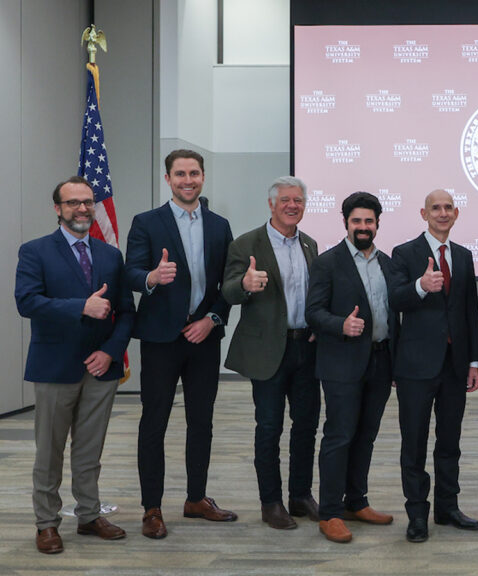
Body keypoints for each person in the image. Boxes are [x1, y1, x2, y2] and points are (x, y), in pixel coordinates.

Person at [15, 176, 135, 554]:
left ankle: (88, 515)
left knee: (90, 450)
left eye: (87, 202)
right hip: (55, 368)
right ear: (58, 209)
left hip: (100, 368)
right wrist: (80, 306)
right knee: (49, 452)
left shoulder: (110, 255)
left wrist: (111, 352)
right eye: (72, 203)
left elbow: (127, 313)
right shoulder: (35, 251)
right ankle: (47, 524)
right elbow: (27, 302)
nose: (82, 209)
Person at [125, 149, 235, 539]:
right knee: (154, 423)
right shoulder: (147, 223)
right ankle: (151, 508)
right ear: (168, 179)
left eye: (194, 173)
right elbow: (132, 273)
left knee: (201, 422)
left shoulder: (220, 226)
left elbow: (229, 285)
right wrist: (152, 277)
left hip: (204, 337)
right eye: (180, 174)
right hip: (160, 339)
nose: (187, 180)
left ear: (203, 177)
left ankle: (196, 498)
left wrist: (212, 319)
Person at [222, 176, 320, 530]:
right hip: (268, 352)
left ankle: (300, 494)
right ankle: (271, 501)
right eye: (285, 201)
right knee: (269, 428)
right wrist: (245, 285)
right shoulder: (247, 243)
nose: (292, 206)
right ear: (271, 204)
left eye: (298, 201)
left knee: (306, 425)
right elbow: (229, 291)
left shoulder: (310, 244)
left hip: (306, 349)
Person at [389, 189, 478, 542]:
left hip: (455, 367)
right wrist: (421, 285)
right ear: (423, 213)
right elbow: (394, 298)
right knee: (413, 443)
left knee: (450, 441)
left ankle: (448, 507)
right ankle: (417, 514)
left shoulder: (462, 254)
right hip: (415, 367)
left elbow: (469, 313)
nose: (442, 213)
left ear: (456, 213)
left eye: (447, 208)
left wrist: (473, 361)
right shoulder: (405, 253)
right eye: (435, 208)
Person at [305, 191, 398, 543]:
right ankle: (329, 512)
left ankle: (356, 501)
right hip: (341, 361)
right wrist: (340, 325)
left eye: (369, 221)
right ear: (345, 223)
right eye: (356, 221)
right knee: (339, 436)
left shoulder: (388, 263)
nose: (363, 227)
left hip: (380, 360)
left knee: (366, 435)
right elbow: (313, 312)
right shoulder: (328, 262)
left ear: (377, 224)